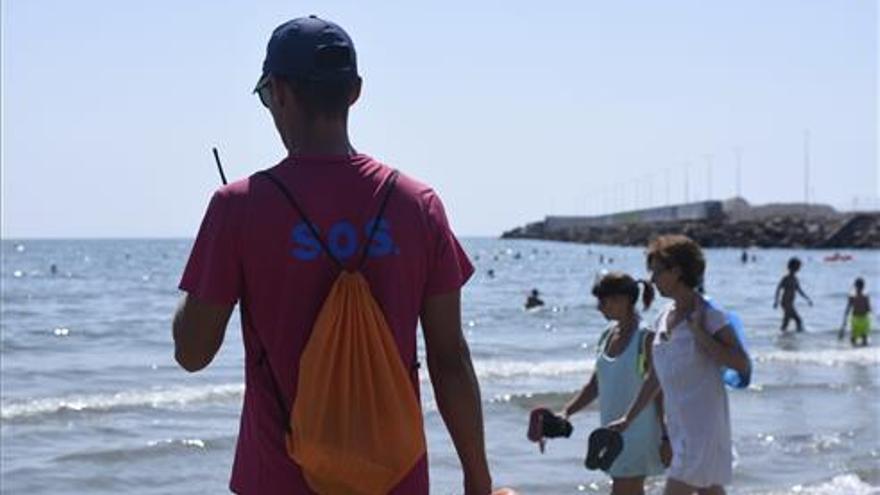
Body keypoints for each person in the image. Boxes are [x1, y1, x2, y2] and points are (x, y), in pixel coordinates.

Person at [172, 16, 491, 494]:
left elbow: (192, 353)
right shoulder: (417, 204)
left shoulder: (238, 207)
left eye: (265, 96)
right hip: (395, 480)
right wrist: (478, 479)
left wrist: (214, 262)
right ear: (354, 92)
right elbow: (450, 359)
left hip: (278, 479)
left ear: (278, 91)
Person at [608, 235, 749, 495]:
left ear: (677, 271)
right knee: (710, 490)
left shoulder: (709, 315)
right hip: (680, 427)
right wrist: (629, 418)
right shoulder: (663, 317)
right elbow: (655, 376)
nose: (652, 279)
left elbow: (741, 363)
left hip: (704, 429)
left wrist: (702, 337)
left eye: (657, 271)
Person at [560, 272, 669, 494]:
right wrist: (567, 412)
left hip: (639, 429)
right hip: (612, 430)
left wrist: (666, 437)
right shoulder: (606, 336)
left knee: (622, 489)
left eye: (603, 301)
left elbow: (659, 389)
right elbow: (594, 386)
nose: (599, 307)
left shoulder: (645, 336)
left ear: (624, 299)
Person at [773, 257, 813, 332]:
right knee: (798, 320)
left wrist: (807, 299)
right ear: (791, 267)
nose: (798, 268)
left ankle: (783, 336)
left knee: (786, 322)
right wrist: (776, 301)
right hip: (785, 303)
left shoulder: (795, 279)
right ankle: (797, 336)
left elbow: (799, 290)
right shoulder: (786, 278)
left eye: (799, 267)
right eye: (797, 266)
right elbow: (778, 289)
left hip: (791, 303)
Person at [840, 277, 872, 346]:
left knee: (853, 338)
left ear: (855, 286)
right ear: (863, 287)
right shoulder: (866, 297)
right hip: (864, 319)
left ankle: (854, 353)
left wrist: (844, 323)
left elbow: (847, 310)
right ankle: (863, 353)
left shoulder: (852, 297)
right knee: (864, 338)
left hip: (855, 319)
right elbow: (869, 309)